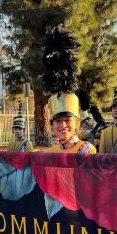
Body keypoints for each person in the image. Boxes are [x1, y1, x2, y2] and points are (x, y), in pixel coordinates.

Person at [42, 25, 96, 155]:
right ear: (51, 124)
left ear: (77, 123)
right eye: (58, 121)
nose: (63, 126)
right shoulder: (50, 153)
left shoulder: (86, 150)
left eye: (67, 120)